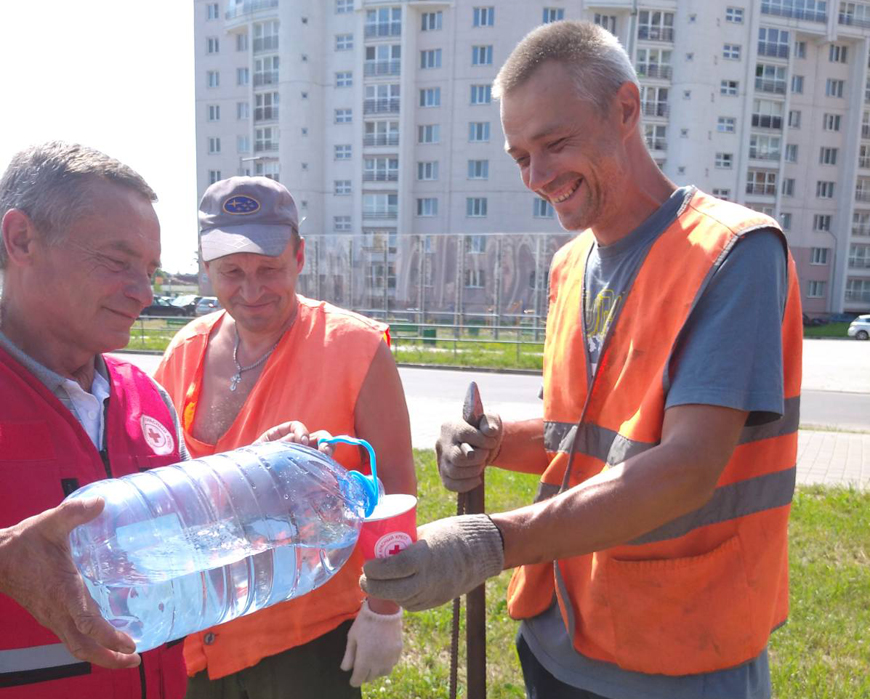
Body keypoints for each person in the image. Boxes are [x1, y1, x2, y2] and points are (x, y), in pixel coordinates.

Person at [361, 20, 802, 699]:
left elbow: (685, 468)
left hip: (678, 648)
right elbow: (592, 437)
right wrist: (496, 438)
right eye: (519, 157)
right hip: (559, 630)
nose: (538, 177)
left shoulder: (733, 253)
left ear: (626, 109)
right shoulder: (573, 265)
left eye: (555, 143)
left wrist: (490, 541)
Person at [153, 176, 417, 699]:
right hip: (195, 639)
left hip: (305, 644)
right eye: (231, 271)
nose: (251, 290)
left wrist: (384, 610)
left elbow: (396, 494)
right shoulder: (182, 352)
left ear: (299, 257)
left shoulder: (355, 349)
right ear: (207, 270)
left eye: (269, 269)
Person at [0, 141, 188, 698]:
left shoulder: (147, 398)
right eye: (117, 261)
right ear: (21, 240)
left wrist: (263, 473)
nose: (145, 292)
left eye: (150, 269)